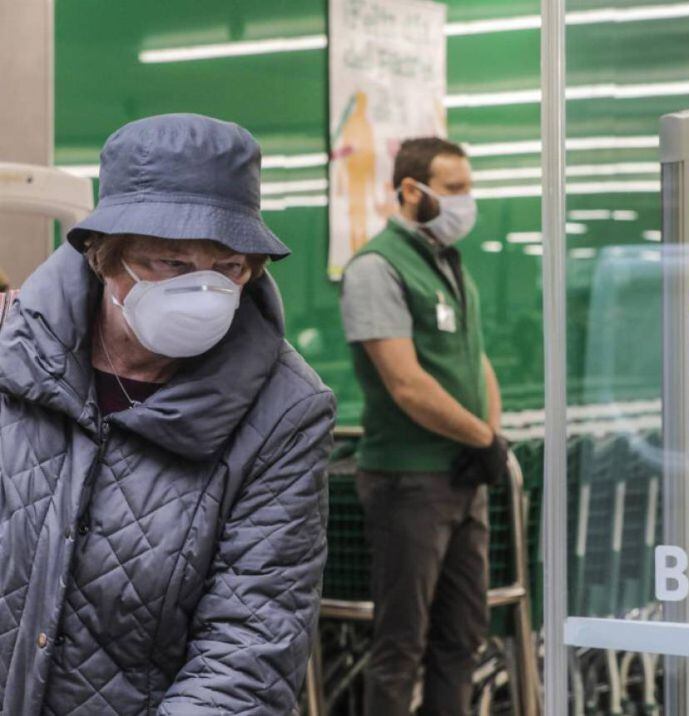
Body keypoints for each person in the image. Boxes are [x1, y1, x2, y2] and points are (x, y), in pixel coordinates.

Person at [0, 114, 337, 714]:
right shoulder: (11, 356)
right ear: (105, 257)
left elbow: (247, 653)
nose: (202, 290)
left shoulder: (284, 413)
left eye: (228, 267)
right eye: (171, 264)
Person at [339, 137, 505, 716]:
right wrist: (482, 439)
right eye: (454, 189)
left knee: (462, 637)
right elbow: (405, 383)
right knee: (400, 645)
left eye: (468, 187)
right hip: (408, 482)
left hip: (461, 475)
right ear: (412, 191)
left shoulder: (450, 264)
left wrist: (489, 432)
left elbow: (474, 357)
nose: (466, 201)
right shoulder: (375, 268)